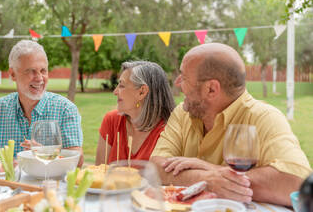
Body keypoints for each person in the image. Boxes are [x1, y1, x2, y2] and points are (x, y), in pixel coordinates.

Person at [150, 43, 312, 206]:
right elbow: (156, 167)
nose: (177, 82)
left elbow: (297, 184)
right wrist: (206, 179)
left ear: (211, 89)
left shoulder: (265, 117)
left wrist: (214, 172)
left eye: (184, 77)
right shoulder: (183, 112)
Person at [0, 40, 84, 166]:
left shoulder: (66, 108)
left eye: (43, 71)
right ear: (13, 74)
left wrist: (45, 152)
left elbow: (77, 160)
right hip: (8, 187)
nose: (39, 78)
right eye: (31, 71)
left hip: (50, 187)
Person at [95, 61, 175, 165]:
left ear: (142, 92)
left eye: (122, 86)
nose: (115, 92)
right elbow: (98, 172)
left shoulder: (169, 132)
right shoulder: (112, 121)